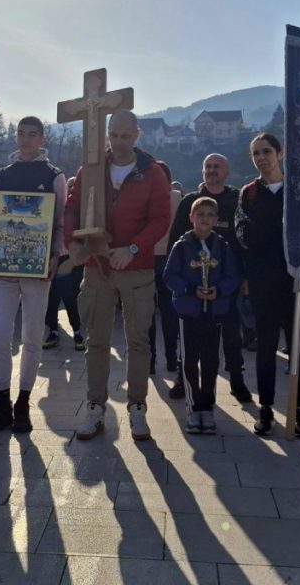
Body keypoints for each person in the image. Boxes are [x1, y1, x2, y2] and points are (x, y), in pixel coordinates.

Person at [65, 110, 171, 442]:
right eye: (115, 135)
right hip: (97, 267)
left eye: (127, 136)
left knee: (138, 341)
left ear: (137, 135)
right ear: (107, 134)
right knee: (95, 340)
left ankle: (137, 407)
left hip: (136, 269)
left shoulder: (153, 173)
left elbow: (160, 219)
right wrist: (73, 242)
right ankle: (95, 406)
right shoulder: (91, 169)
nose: (120, 142)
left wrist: (134, 249)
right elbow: (71, 207)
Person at [0, 117, 66, 434]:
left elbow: (58, 223)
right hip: (2, 266)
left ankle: (23, 403)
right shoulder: (4, 174)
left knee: (32, 337)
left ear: (42, 139)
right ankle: (2, 401)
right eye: (21, 134)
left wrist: (56, 255)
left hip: (37, 268)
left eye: (32, 135)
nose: (26, 140)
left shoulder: (54, 177)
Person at [235, 133, 300, 438]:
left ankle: (299, 409)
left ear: (279, 154)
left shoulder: (298, 191)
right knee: (265, 346)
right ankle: (266, 407)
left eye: (266, 151)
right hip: (264, 280)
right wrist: (279, 235)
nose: (261, 157)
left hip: (298, 279)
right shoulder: (249, 194)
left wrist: (273, 235)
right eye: (255, 153)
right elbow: (244, 234)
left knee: (298, 347)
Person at [167, 153, 253, 404]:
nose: (212, 171)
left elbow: (245, 241)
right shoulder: (190, 202)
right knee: (190, 336)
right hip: (193, 287)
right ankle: (184, 379)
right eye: (208, 167)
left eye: (217, 167)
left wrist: (244, 277)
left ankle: (237, 381)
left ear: (227, 172)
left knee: (232, 335)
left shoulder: (237, 200)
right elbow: (176, 239)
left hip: (227, 282)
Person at [164, 197, 239, 434]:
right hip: (189, 312)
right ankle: (193, 407)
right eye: (200, 214)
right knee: (189, 361)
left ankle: (207, 407)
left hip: (214, 313)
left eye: (209, 215)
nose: (205, 219)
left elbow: (232, 277)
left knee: (210, 361)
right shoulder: (182, 246)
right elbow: (169, 276)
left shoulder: (223, 247)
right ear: (191, 218)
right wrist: (189, 290)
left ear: (216, 220)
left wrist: (219, 291)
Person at [148, 161, 183, 376]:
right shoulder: (177, 198)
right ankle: (171, 359)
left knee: (147, 315)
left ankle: (150, 360)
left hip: (147, 259)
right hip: (170, 260)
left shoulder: (147, 197)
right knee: (169, 314)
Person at [44, 178, 86, 352]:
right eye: (68, 187)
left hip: (71, 258)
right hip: (52, 256)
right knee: (51, 297)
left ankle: (77, 331)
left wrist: (74, 259)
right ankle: (53, 331)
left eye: (73, 188)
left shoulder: (80, 211)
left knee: (71, 297)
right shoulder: (54, 207)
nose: (69, 191)